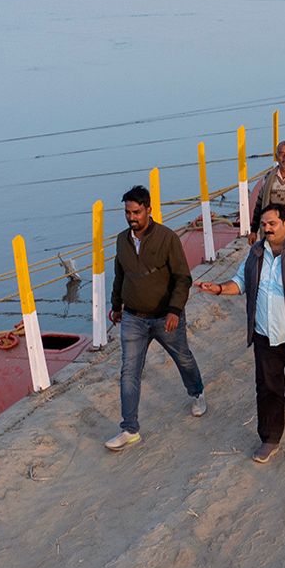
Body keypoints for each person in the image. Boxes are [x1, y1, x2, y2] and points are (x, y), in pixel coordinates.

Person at [203, 204, 285, 464]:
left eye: (272, 223)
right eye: (264, 224)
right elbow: (241, 282)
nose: (267, 229)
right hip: (264, 334)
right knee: (268, 387)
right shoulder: (256, 252)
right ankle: (270, 438)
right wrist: (218, 289)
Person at [105, 185, 205, 452]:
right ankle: (129, 429)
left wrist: (174, 310)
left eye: (136, 212)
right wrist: (116, 306)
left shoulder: (167, 238)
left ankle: (197, 393)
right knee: (129, 372)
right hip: (133, 319)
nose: (131, 218)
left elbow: (183, 277)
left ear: (149, 210)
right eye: (127, 212)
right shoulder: (121, 240)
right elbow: (120, 274)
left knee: (182, 358)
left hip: (165, 317)